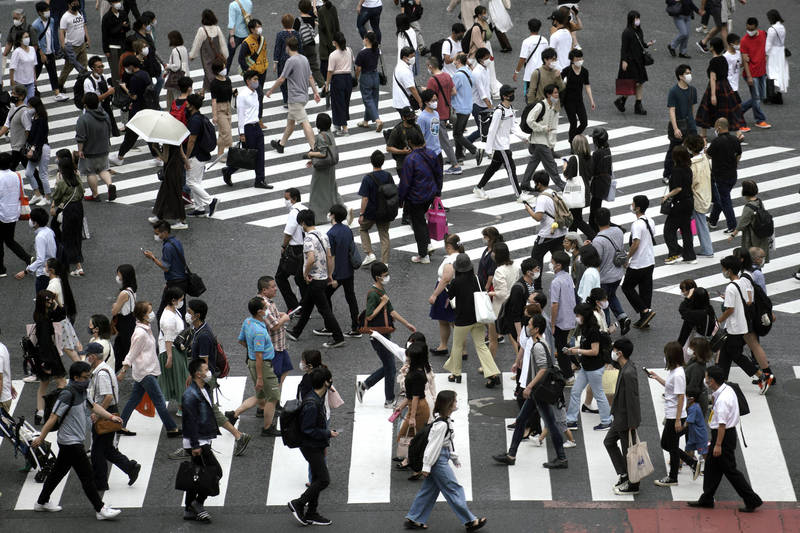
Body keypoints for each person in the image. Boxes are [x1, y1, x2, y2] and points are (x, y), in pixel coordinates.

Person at [31, 361, 122, 520]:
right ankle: (100, 509)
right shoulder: (67, 394)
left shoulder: (82, 391)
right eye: (85, 377)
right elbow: (53, 417)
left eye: (89, 377)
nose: (88, 380)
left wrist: (111, 416)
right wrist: (41, 437)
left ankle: (41, 502)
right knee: (87, 475)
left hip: (74, 440)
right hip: (70, 442)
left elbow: (94, 406)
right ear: (76, 378)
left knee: (58, 473)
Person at [494, 313, 568, 469]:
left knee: (550, 424)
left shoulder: (539, 346)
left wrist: (529, 386)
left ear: (536, 329)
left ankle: (561, 458)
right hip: (538, 391)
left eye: (530, 325)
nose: (527, 327)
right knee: (524, 420)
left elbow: (543, 369)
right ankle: (511, 455)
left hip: (538, 391)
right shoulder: (540, 342)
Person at [405, 390, 487, 530]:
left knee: (429, 490)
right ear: (448, 404)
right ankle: (470, 521)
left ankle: (414, 518)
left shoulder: (444, 420)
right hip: (438, 461)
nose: (456, 403)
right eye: (454, 401)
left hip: (440, 457)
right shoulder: (442, 424)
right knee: (454, 489)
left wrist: (453, 457)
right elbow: (433, 446)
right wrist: (426, 466)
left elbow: (446, 443)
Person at [688, 365, 763, 512]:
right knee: (711, 467)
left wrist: (718, 445)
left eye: (707, 378)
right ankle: (707, 498)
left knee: (730, 470)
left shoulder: (723, 400)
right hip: (725, 434)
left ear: (713, 381)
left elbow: (722, 425)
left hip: (723, 437)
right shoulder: (726, 388)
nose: (705, 380)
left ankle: (752, 499)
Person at [356, 262, 416, 407]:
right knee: (390, 367)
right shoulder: (373, 294)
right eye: (385, 275)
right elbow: (369, 316)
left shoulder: (382, 290)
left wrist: (406, 324)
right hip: (377, 336)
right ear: (377, 277)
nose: (387, 277)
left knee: (389, 366)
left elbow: (391, 310)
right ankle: (389, 400)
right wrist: (382, 303)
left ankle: (365, 385)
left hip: (383, 334)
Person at [117, 301, 181, 437]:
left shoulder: (146, 328)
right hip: (146, 372)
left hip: (145, 370)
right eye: (149, 311)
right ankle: (172, 429)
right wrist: (123, 370)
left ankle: (120, 425)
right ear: (144, 316)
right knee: (159, 401)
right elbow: (131, 353)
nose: (152, 314)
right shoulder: (140, 334)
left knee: (133, 400)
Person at [286, 209, 346, 348]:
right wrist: (330, 274)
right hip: (323, 277)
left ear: (302, 223)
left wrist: (305, 273)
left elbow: (311, 258)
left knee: (324, 310)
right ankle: (296, 332)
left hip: (314, 280)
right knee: (307, 305)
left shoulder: (308, 238)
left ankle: (338, 337)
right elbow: (330, 257)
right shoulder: (323, 235)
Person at [84, 343, 140, 491]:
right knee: (107, 449)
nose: (86, 358)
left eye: (87, 355)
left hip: (105, 413)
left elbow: (108, 396)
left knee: (97, 451)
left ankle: (100, 483)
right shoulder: (104, 369)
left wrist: (97, 413)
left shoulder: (101, 374)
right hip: (109, 411)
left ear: (93, 357)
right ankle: (130, 467)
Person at [646, 342, 701, 487]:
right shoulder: (675, 372)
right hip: (673, 413)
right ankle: (675, 475)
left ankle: (687, 465)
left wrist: (677, 420)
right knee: (672, 445)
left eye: (666, 355)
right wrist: (657, 378)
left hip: (675, 415)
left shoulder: (678, 374)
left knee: (666, 443)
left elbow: (680, 396)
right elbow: (671, 388)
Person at [442, 253, 502, 387]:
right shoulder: (477, 278)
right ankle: (492, 373)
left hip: (462, 319)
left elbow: (450, 295)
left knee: (457, 346)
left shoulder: (456, 282)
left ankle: (456, 374)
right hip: (478, 318)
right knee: (481, 346)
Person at [226, 297, 283, 437]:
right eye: (265, 307)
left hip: (253, 362)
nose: (267, 309)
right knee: (273, 396)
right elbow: (259, 356)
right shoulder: (259, 332)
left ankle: (235, 414)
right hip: (262, 365)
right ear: (259, 312)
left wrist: (251, 349)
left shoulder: (248, 321)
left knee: (260, 395)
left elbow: (241, 340)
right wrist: (260, 378)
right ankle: (267, 428)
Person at [288, 367, 338, 527]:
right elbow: (307, 429)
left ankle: (312, 513)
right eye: (330, 379)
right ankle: (299, 503)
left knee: (317, 478)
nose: (331, 381)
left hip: (314, 444)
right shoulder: (312, 403)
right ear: (325, 382)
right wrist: (327, 433)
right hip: (310, 446)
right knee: (324, 480)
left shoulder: (316, 397)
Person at [181, 358, 223, 522]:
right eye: (206, 370)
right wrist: (195, 445)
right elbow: (189, 421)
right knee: (215, 472)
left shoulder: (203, 388)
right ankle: (197, 503)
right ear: (198, 374)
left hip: (202, 438)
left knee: (196, 476)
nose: (208, 373)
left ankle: (188, 509)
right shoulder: (190, 395)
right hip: (198, 441)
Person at [267, 37, 321, 153]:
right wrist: (315, 92)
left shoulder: (291, 61)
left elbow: (282, 79)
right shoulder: (304, 59)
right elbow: (310, 77)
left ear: (288, 47)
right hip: (303, 96)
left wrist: (270, 90)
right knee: (290, 123)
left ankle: (314, 147)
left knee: (305, 123)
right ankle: (281, 145)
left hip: (295, 98)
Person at [603, 337, 641, 495]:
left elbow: (633, 399)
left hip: (626, 420)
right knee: (609, 442)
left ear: (619, 353)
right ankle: (624, 474)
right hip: (619, 417)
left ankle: (634, 485)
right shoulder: (624, 367)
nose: (611, 352)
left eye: (613, 350)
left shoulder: (628, 373)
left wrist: (632, 423)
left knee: (629, 453)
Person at [400, 129, 442, 264]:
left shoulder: (410, 159)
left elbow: (405, 182)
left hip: (416, 197)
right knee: (422, 221)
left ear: (410, 142)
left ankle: (423, 254)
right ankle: (427, 245)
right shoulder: (431, 154)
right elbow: (438, 174)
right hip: (430, 193)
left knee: (418, 224)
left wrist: (400, 199)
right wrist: (438, 192)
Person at [473, 84, 523, 199]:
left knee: (493, 168)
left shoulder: (510, 108)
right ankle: (519, 195)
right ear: (504, 96)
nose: (513, 96)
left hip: (504, 144)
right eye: (511, 94)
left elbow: (513, 126)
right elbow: (491, 130)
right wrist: (489, 149)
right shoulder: (499, 111)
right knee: (511, 170)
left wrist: (525, 137)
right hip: (501, 147)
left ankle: (479, 187)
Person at [716, 255, 758, 381]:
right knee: (725, 354)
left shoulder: (730, 288)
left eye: (723, 269)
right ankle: (721, 380)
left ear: (729, 270)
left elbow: (730, 310)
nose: (723, 271)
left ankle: (762, 377)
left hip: (734, 327)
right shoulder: (742, 283)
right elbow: (748, 301)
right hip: (742, 325)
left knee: (735, 355)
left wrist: (718, 321)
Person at [223, 70, 267, 189]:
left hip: (256, 126)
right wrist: (242, 133)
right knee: (247, 156)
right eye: (255, 79)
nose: (257, 82)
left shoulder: (255, 93)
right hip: (247, 129)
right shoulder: (242, 96)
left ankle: (260, 180)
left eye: (257, 79)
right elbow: (240, 115)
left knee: (260, 155)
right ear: (248, 81)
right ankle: (228, 171)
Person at [322, 204, 361, 337]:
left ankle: (329, 326)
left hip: (337, 272)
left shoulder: (331, 234)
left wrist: (330, 275)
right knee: (351, 298)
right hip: (349, 270)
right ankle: (356, 327)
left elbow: (331, 257)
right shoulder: (347, 229)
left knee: (325, 297)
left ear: (333, 215)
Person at [524, 171, 567, 291]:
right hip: (560, 232)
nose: (534, 186)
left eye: (535, 183)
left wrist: (528, 209)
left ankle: (537, 288)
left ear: (539, 184)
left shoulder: (542, 198)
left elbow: (538, 217)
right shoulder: (554, 192)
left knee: (536, 260)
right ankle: (565, 282)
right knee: (560, 259)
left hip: (547, 233)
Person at [695, 37, 745, 139]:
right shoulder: (723, 59)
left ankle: (703, 134)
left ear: (712, 47)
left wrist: (713, 95)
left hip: (715, 87)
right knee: (729, 110)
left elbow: (713, 78)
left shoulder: (714, 61)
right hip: (726, 86)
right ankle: (738, 133)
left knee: (707, 109)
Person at [30, 290, 68, 420]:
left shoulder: (42, 315)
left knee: (44, 383)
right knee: (62, 382)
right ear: (42, 302)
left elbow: (62, 314)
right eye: (48, 300)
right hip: (48, 355)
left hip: (41, 355)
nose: (51, 301)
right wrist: (48, 363)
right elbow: (45, 343)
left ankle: (40, 412)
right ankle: (57, 410)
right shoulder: (44, 320)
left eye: (51, 299)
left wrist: (57, 300)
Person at [591, 207, 630, 334]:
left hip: (604, 277)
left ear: (596, 221)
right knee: (611, 296)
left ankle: (606, 329)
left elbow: (597, 261)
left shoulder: (598, 240)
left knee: (603, 303)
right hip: (618, 274)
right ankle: (623, 318)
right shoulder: (618, 231)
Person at [622, 195, 657, 328]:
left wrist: (627, 258)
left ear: (637, 208)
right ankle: (644, 318)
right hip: (649, 261)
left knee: (627, 287)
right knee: (645, 290)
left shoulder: (637, 224)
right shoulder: (650, 221)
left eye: (633, 204)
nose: (631, 205)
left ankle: (645, 311)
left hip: (638, 263)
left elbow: (636, 243)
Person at [520, 84, 562, 193]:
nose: (557, 95)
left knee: (533, 162)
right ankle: (562, 185)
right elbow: (530, 120)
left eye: (557, 93)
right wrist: (542, 128)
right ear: (548, 95)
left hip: (542, 141)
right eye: (555, 93)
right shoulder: (540, 106)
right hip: (539, 141)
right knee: (551, 165)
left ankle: (524, 183)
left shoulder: (551, 106)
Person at [144, 221, 189, 322]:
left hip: (175, 283)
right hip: (180, 281)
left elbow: (165, 267)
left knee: (161, 314)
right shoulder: (176, 242)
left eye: (157, 233)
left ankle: (168, 336)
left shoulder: (167, 247)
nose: (156, 236)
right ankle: (184, 334)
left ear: (164, 232)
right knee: (180, 312)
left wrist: (152, 257)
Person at [183, 94, 219, 217]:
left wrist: (186, 157)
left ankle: (210, 200)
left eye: (187, 103)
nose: (186, 105)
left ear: (192, 106)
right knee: (196, 182)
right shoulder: (201, 117)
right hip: (202, 154)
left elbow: (191, 141)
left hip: (195, 155)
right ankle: (199, 208)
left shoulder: (194, 120)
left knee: (190, 182)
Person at [51, 151, 85, 277]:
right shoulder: (76, 178)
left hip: (68, 208)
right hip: (78, 207)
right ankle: (76, 262)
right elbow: (82, 192)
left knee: (67, 236)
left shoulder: (62, 182)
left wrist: (55, 205)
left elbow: (57, 196)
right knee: (76, 235)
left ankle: (75, 265)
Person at [76, 93, 115, 202]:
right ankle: (110, 185)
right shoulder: (105, 115)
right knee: (103, 169)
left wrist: (80, 150)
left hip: (90, 150)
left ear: (85, 105)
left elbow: (81, 137)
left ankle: (95, 195)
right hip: (104, 148)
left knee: (91, 172)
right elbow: (109, 129)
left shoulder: (83, 119)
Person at [357, 150, 393, 266]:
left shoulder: (367, 178)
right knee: (384, 235)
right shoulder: (388, 176)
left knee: (363, 229)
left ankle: (370, 253)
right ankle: (385, 262)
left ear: (371, 162)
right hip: (385, 211)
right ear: (383, 162)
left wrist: (361, 213)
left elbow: (365, 198)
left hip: (371, 212)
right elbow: (393, 191)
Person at [427, 235, 462, 356]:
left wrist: (434, 295)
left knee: (453, 322)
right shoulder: (462, 256)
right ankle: (443, 346)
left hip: (446, 291)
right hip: (453, 290)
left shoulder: (451, 260)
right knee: (444, 320)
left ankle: (461, 350)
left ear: (448, 246)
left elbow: (446, 279)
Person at [613, 10, 653, 115]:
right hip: (630, 61)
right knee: (633, 82)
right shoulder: (626, 32)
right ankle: (623, 101)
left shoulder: (639, 31)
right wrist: (624, 60)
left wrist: (647, 44)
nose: (638, 20)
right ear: (631, 20)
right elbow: (624, 48)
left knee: (640, 81)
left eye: (638, 18)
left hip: (639, 60)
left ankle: (635, 104)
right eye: (636, 18)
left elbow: (641, 43)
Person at [255, 277, 293, 386]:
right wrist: (284, 318)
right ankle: (273, 398)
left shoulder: (266, 301)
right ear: (264, 290)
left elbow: (271, 317)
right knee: (275, 377)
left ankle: (276, 394)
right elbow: (274, 326)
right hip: (273, 347)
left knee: (286, 368)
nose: (276, 289)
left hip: (280, 345)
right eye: (273, 287)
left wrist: (278, 314)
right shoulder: (264, 305)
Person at [425, 57, 460, 175]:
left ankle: (455, 165)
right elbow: (454, 92)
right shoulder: (447, 76)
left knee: (441, 140)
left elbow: (429, 97)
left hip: (436, 114)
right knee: (440, 138)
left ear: (430, 66)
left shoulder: (432, 80)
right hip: (446, 111)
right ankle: (450, 159)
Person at [664, 64, 698, 184]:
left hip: (690, 125)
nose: (689, 75)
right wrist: (675, 128)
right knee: (673, 150)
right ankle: (667, 174)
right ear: (680, 76)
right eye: (687, 73)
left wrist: (692, 122)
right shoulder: (674, 91)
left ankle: (689, 173)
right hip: (679, 125)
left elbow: (692, 108)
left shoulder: (693, 90)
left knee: (693, 149)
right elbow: (672, 110)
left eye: (690, 72)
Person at [706, 118, 740, 233]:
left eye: (715, 127)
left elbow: (708, 155)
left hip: (721, 176)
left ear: (719, 128)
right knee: (722, 197)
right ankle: (713, 220)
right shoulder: (735, 139)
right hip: (733, 174)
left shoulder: (717, 142)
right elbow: (738, 155)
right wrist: (734, 165)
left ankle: (732, 225)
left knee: (725, 201)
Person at [306, 113, 342, 222]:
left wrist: (310, 155)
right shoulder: (330, 134)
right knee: (332, 190)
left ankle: (317, 218)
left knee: (317, 193)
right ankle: (343, 210)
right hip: (330, 166)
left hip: (322, 168)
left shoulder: (321, 136)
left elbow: (323, 153)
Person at [157, 286, 189, 406]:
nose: (182, 302)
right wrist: (170, 357)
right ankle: (183, 405)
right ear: (173, 300)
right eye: (181, 299)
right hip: (172, 350)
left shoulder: (173, 311)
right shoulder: (168, 318)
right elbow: (168, 339)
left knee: (179, 378)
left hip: (176, 349)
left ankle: (182, 404)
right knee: (181, 379)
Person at [0, 152, 31, 277]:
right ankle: (28, 259)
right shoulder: (17, 175)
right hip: (13, 212)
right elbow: (21, 193)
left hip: (1, 213)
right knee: (9, 240)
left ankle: (1, 269)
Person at [277, 187, 307, 312]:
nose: (285, 201)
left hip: (295, 249)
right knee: (301, 278)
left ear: (294, 199)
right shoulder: (305, 209)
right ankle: (305, 305)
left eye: (286, 199)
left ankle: (295, 306)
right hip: (306, 247)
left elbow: (288, 233)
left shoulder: (294, 212)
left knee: (280, 277)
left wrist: (283, 246)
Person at [685, 134, 714, 257]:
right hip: (705, 194)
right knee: (693, 221)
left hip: (696, 197)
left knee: (699, 223)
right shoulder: (705, 159)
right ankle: (691, 246)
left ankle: (707, 249)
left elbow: (691, 182)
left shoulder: (692, 164)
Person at [14, 206, 56, 293]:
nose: (30, 220)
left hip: (43, 274)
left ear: (35, 223)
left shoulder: (40, 237)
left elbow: (40, 259)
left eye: (31, 219)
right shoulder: (49, 231)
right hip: (51, 270)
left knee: (41, 300)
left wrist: (26, 271)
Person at [728, 180, 771, 261]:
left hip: (752, 236)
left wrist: (732, 235)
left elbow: (742, 223)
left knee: (751, 257)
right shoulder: (759, 201)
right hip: (761, 233)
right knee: (758, 257)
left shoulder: (748, 207)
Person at [33, 2, 68, 102]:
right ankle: (29, 89)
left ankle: (57, 93)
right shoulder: (36, 25)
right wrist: (41, 53)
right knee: (36, 72)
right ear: (40, 12)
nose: (48, 12)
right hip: (40, 53)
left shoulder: (51, 21)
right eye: (45, 10)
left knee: (53, 72)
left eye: (48, 10)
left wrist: (54, 50)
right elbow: (36, 41)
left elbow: (52, 36)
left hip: (50, 51)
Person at [739, 18, 770, 128]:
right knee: (756, 98)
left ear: (756, 27)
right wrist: (749, 77)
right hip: (751, 73)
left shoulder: (763, 35)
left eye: (751, 29)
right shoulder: (744, 41)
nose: (749, 31)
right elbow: (745, 60)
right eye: (747, 28)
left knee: (761, 96)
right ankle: (759, 119)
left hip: (762, 71)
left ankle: (738, 110)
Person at [188, 9, 228, 96]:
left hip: (207, 58)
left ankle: (216, 94)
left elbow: (196, 44)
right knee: (211, 74)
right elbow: (223, 44)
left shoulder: (202, 30)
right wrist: (225, 55)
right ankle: (202, 91)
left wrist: (192, 55)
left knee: (210, 74)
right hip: (217, 58)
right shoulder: (217, 29)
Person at [237, 19, 268, 120]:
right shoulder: (246, 43)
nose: (259, 28)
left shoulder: (262, 39)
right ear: (251, 29)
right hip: (253, 74)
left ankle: (259, 119)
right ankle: (256, 118)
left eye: (260, 26)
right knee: (259, 95)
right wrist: (248, 70)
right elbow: (240, 59)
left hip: (263, 70)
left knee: (259, 95)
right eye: (257, 27)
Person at [561, 49, 594, 144]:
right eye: (577, 58)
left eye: (581, 58)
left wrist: (591, 100)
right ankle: (572, 143)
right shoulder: (567, 71)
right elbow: (558, 82)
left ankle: (572, 137)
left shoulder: (584, 71)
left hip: (579, 100)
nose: (580, 60)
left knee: (584, 122)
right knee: (573, 122)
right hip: (568, 100)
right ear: (572, 59)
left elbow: (587, 85)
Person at [478, 227, 502, 357]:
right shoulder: (487, 250)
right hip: (482, 282)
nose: (483, 239)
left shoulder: (494, 253)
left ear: (490, 237)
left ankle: (496, 333)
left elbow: (491, 274)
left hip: (488, 286)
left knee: (488, 310)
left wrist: (486, 288)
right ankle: (493, 332)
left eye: (485, 236)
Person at [562, 135, 593, 237]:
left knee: (577, 219)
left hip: (575, 191)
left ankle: (594, 236)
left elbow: (567, 175)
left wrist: (565, 166)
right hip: (584, 190)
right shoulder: (589, 158)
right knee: (575, 218)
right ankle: (572, 241)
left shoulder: (574, 159)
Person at [452, 53, 479, 164]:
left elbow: (452, 91)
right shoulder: (468, 71)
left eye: (455, 58)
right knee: (459, 132)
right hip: (468, 106)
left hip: (459, 107)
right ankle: (459, 156)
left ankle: (475, 150)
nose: (453, 60)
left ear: (458, 61)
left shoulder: (458, 75)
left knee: (457, 134)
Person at [58, 0, 90, 93]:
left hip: (82, 44)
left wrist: (87, 39)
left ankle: (85, 84)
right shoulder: (65, 17)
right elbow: (61, 31)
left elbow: (83, 26)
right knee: (68, 68)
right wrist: (63, 45)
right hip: (72, 47)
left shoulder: (79, 13)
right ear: (69, 5)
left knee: (84, 67)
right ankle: (59, 85)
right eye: (74, 4)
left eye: (77, 3)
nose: (76, 5)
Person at [0, 85, 33, 174]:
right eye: (12, 93)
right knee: (30, 171)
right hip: (16, 145)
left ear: (21, 96)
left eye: (14, 93)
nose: (12, 95)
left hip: (21, 147)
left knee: (9, 168)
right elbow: (6, 125)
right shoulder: (12, 109)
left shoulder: (24, 112)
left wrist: (29, 146)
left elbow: (28, 129)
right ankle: (39, 186)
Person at [325, 32, 352, 135]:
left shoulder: (333, 55)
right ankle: (337, 125)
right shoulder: (349, 50)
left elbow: (330, 71)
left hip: (338, 79)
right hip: (348, 78)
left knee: (338, 103)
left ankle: (344, 128)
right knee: (345, 102)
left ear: (335, 42)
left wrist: (327, 84)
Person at [355, 31, 383, 132]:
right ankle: (365, 121)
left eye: (364, 39)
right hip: (375, 76)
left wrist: (356, 78)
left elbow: (358, 69)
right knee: (373, 99)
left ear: (366, 40)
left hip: (366, 77)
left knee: (367, 99)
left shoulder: (362, 53)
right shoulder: (376, 50)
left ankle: (377, 120)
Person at [274, 14, 304, 107]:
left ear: (282, 23)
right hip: (295, 59)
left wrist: (275, 62)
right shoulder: (297, 34)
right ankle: (295, 98)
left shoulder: (280, 35)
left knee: (283, 80)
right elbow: (300, 48)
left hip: (283, 61)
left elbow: (277, 49)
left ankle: (287, 100)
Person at [295, 0, 325, 90]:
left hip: (301, 46)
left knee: (300, 67)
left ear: (299, 9)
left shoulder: (298, 20)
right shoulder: (312, 19)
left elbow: (295, 34)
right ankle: (323, 85)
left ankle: (301, 86)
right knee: (314, 67)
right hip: (311, 45)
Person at [514, 18, 548, 99]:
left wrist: (516, 72)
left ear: (529, 27)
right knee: (542, 95)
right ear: (539, 28)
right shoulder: (544, 40)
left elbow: (522, 59)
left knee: (530, 96)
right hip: (543, 72)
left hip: (530, 74)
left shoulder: (527, 42)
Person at [100, 0, 130, 85]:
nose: (118, 3)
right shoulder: (107, 17)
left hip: (123, 44)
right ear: (111, 4)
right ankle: (117, 91)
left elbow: (128, 28)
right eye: (115, 2)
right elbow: (106, 34)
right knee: (115, 70)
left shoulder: (123, 13)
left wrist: (125, 26)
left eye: (118, 1)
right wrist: (106, 50)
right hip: (112, 46)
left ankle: (125, 87)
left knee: (124, 68)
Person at [209, 60, 233, 157]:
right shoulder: (214, 83)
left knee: (222, 133)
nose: (225, 69)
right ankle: (231, 150)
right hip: (220, 109)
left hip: (227, 107)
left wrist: (234, 92)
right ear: (218, 70)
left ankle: (220, 155)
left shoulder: (227, 80)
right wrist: (214, 115)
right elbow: (214, 101)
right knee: (226, 132)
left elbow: (229, 90)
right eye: (223, 68)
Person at [764, 9, 789, 105]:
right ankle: (778, 95)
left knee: (770, 73)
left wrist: (765, 54)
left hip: (773, 53)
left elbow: (768, 44)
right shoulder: (782, 27)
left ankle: (770, 96)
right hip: (781, 52)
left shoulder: (771, 29)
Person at [164, 31, 189, 111]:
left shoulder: (175, 51)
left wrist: (168, 66)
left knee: (175, 98)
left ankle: (175, 113)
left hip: (176, 79)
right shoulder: (184, 48)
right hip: (185, 75)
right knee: (176, 96)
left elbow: (176, 66)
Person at [9, 31, 38, 101]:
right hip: (20, 84)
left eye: (28, 37)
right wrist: (12, 82)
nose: (28, 39)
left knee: (31, 104)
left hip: (30, 82)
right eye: (25, 37)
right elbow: (12, 68)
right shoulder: (17, 52)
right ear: (20, 40)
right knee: (23, 105)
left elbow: (33, 65)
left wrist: (34, 78)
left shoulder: (32, 49)